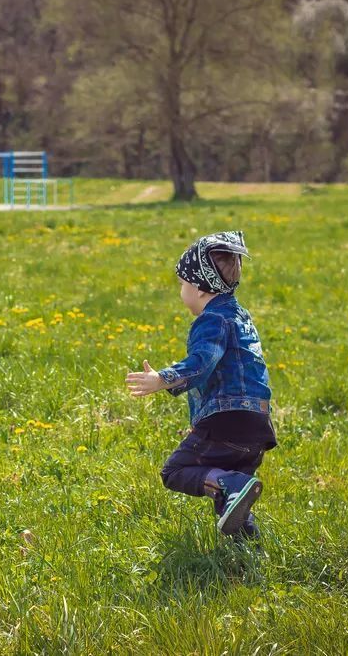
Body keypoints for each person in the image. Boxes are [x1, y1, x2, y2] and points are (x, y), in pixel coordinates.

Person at [125, 231, 275, 539]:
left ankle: (231, 486)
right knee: (231, 500)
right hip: (256, 425)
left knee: (175, 471)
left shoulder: (213, 320)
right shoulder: (240, 317)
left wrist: (161, 379)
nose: (181, 290)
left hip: (229, 420)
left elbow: (202, 364)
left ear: (200, 289)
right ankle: (247, 549)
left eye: (182, 284)